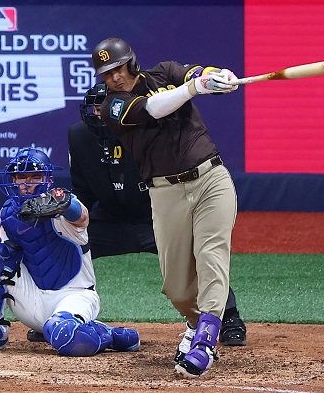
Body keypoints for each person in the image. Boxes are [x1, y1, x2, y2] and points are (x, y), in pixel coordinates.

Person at [92, 37, 240, 378]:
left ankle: (204, 342)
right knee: (176, 287)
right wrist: (194, 88)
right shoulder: (113, 107)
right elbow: (153, 109)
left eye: (118, 68)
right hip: (164, 192)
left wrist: (218, 78)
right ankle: (194, 322)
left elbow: (199, 73)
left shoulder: (167, 73)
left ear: (131, 62)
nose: (114, 77)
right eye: (107, 73)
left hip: (210, 178)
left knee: (211, 255)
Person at [65, 83, 247, 347]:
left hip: (154, 214)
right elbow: (83, 190)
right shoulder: (79, 136)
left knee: (200, 255)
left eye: (105, 108)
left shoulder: (147, 130)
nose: (99, 114)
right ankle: (62, 314)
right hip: (110, 219)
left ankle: (228, 316)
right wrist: (67, 213)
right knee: (66, 244)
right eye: (94, 108)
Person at [0, 146, 140, 356]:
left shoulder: (63, 207)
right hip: (31, 300)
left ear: (47, 179)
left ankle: (109, 334)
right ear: (13, 180)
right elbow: (8, 263)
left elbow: (82, 216)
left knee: (66, 336)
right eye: (21, 177)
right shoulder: (9, 215)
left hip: (73, 296)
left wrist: (63, 204)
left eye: (34, 176)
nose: (27, 184)